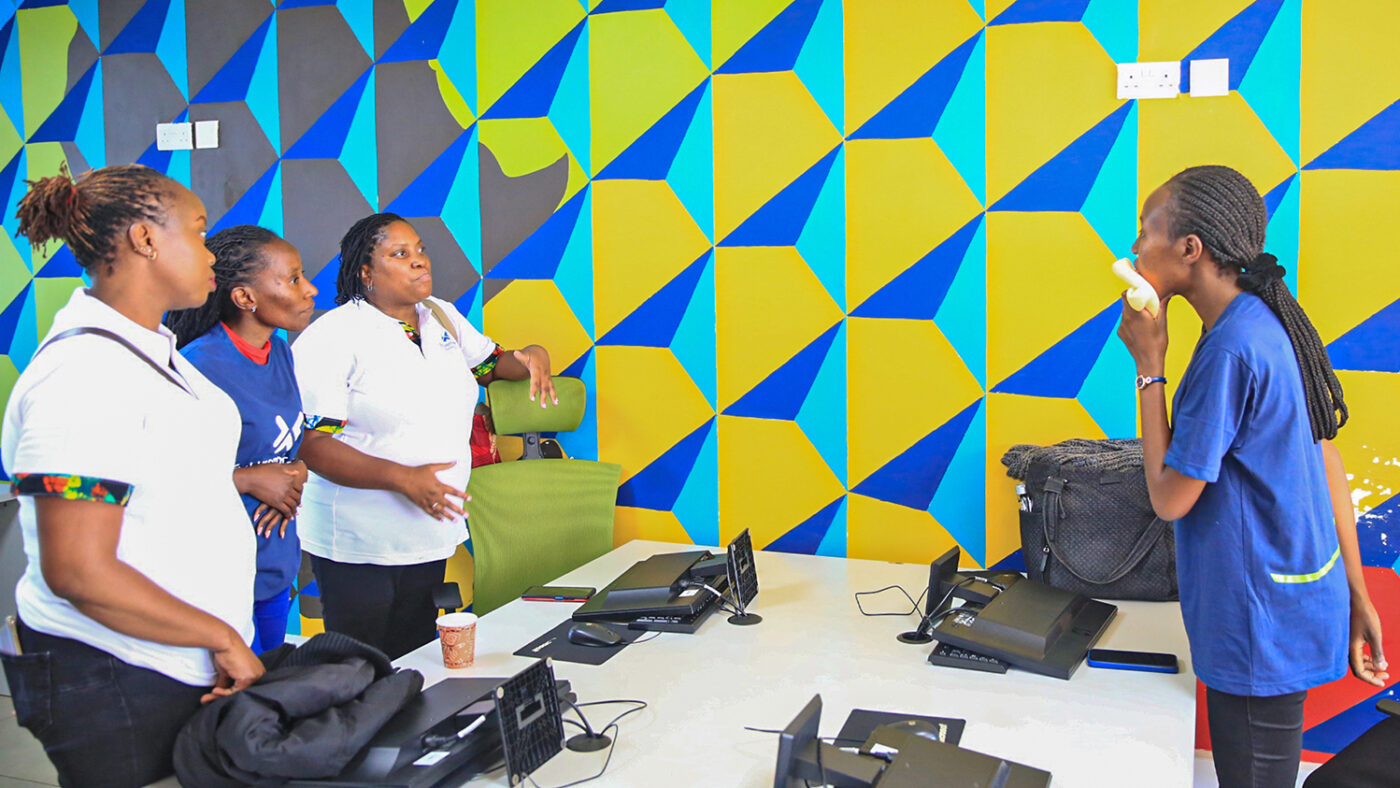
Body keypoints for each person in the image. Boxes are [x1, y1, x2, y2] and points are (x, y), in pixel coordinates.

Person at [1117, 165, 1387, 788]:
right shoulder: (1268, 322)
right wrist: (1356, 588)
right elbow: (1327, 457)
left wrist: (1149, 365)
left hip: (1256, 623)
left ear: (1190, 250)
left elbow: (1169, 499)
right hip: (1294, 602)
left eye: (1146, 230)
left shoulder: (1230, 352)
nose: (1135, 248)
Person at [0, 164, 263, 787]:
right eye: (199, 234)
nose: (211, 257)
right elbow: (78, 570)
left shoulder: (151, 353)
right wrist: (218, 634)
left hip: (178, 666)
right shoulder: (82, 379)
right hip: (119, 676)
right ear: (146, 239)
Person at [292, 212, 557, 659]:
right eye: (400, 254)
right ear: (366, 272)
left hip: (427, 528)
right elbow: (313, 446)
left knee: (414, 655)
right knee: (360, 666)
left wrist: (534, 356)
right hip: (360, 537)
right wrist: (403, 478)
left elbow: (492, 366)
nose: (419, 262)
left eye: (420, 250)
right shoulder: (335, 337)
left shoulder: (440, 316)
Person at [164, 225, 318, 654]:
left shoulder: (280, 351)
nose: (310, 289)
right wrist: (247, 481)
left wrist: (295, 470)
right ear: (245, 298)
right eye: (293, 279)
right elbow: (164, 479)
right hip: (217, 579)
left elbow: (283, 442)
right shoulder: (199, 366)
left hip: (272, 566)